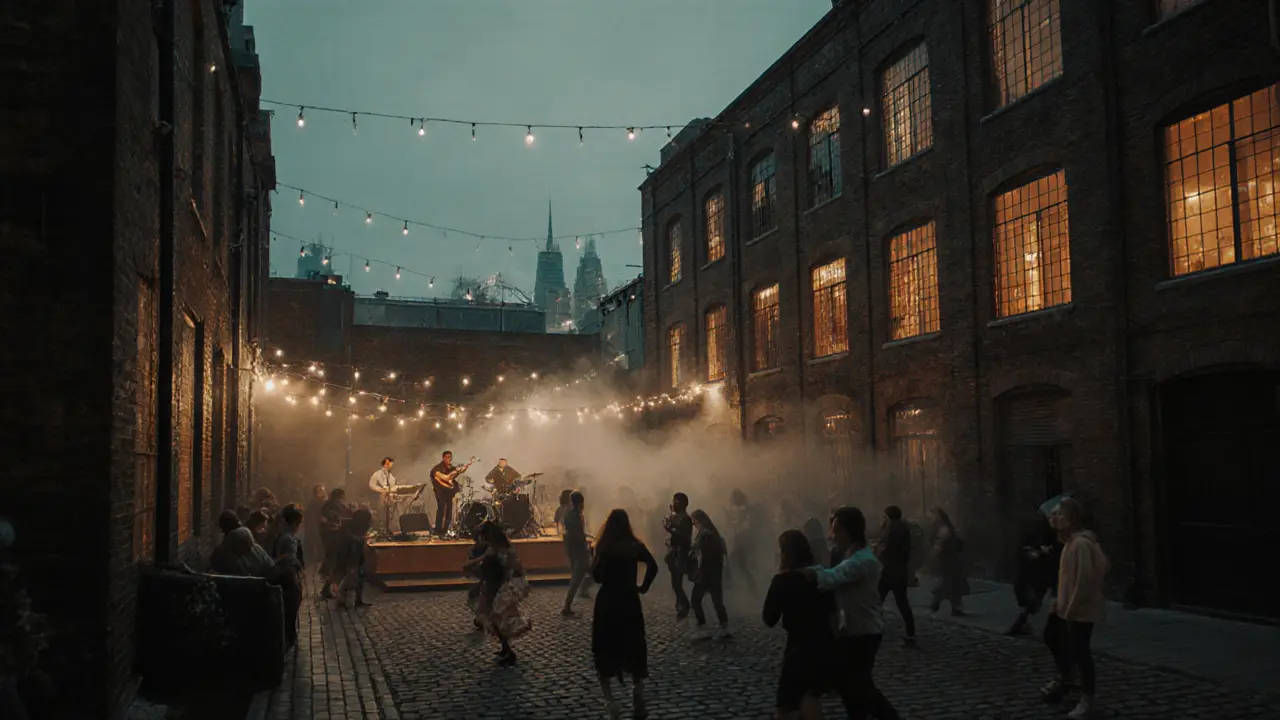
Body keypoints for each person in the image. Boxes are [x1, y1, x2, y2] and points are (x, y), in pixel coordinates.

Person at [799, 507, 901, 720]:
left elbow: (832, 577)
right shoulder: (849, 554)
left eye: (835, 529)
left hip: (866, 632)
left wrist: (803, 574)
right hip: (853, 630)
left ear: (847, 531)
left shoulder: (862, 560)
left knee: (859, 686)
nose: (831, 534)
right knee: (851, 686)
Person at [1041, 497, 1109, 719]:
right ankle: (1066, 679)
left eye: (1061, 513)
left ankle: (1088, 698)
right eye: (1055, 514)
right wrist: (1058, 601)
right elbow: (1066, 579)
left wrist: (1070, 608)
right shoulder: (1068, 542)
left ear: (1071, 517)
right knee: (1056, 638)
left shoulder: (1080, 544)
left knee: (1081, 652)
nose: (1056, 517)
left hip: (1080, 609)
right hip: (1067, 607)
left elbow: (1084, 580)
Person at [764, 530, 841, 720]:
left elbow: (769, 618)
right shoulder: (819, 575)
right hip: (824, 642)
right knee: (809, 696)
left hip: (799, 648)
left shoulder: (782, 581)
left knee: (788, 703)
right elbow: (833, 612)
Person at [591, 509, 659, 720]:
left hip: (608, 602)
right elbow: (653, 566)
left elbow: (597, 577)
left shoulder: (606, 548)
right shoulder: (635, 547)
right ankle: (637, 695)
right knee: (634, 644)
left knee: (604, 645)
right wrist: (643, 586)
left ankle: (610, 700)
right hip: (629, 600)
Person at [463, 521, 530, 666]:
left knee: (498, 620)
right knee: (494, 620)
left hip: (500, 587)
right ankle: (505, 649)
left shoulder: (499, 549)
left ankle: (509, 652)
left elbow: (510, 567)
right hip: (494, 586)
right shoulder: (494, 548)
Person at [1009, 504, 1062, 636]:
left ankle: (1027, 618)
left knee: (1040, 591)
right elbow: (1024, 542)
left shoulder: (1056, 530)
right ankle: (1025, 618)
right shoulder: (1036, 526)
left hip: (1046, 566)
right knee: (1025, 589)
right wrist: (1032, 550)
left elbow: (1059, 545)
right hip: (1032, 564)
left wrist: (1048, 549)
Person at [875, 506, 916, 645]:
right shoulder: (903, 528)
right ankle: (911, 633)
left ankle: (873, 628)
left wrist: (878, 554)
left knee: (877, 600)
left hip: (889, 570)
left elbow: (885, 549)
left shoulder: (891, 529)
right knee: (902, 602)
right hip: (900, 570)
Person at [689, 509, 730, 641]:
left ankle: (703, 627)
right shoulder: (709, 533)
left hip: (708, 571)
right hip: (714, 571)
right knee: (717, 600)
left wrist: (699, 569)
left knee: (696, 599)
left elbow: (706, 555)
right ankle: (724, 626)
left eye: (694, 521)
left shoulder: (706, 534)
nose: (693, 524)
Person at [271, 504, 305, 648]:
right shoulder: (288, 539)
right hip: (288, 577)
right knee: (290, 608)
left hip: (285, 575)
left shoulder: (284, 536)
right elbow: (287, 560)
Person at [927, 507, 968, 616]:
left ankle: (937, 604)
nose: (932, 517)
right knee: (952, 582)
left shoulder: (943, 529)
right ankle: (954, 607)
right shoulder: (944, 527)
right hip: (949, 559)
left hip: (947, 559)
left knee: (950, 582)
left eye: (934, 515)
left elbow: (939, 545)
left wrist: (933, 554)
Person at [333, 508, 374, 609]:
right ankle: (341, 600)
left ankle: (358, 600)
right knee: (350, 578)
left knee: (359, 578)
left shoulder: (360, 525)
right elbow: (348, 539)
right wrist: (359, 539)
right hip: (350, 554)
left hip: (356, 554)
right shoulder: (348, 525)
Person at [561, 491, 594, 615]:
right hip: (578, 550)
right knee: (577, 579)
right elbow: (577, 534)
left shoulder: (572, 514)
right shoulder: (574, 516)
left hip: (576, 550)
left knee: (590, 573)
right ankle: (566, 606)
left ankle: (583, 590)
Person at [662, 492, 694, 619]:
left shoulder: (685, 518)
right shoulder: (677, 516)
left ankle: (685, 604)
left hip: (681, 553)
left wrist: (670, 529)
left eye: (676, 502)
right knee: (675, 582)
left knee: (676, 583)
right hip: (674, 552)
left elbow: (684, 537)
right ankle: (680, 602)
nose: (673, 504)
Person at [319, 488, 353, 598]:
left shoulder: (337, 505)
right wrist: (341, 520)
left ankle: (329, 588)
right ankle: (328, 588)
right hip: (331, 535)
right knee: (334, 563)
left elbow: (346, 512)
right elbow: (333, 517)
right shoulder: (329, 505)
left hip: (337, 534)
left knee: (336, 564)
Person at [430, 451, 473, 535]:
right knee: (442, 509)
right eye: (448, 457)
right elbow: (446, 478)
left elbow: (460, 471)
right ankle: (438, 530)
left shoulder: (451, 468)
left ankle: (445, 530)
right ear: (444, 458)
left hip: (449, 493)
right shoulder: (437, 468)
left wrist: (468, 464)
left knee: (449, 511)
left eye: (450, 457)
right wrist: (456, 471)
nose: (450, 459)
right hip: (440, 492)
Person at [209, 527, 275, 577]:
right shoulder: (223, 553)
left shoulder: (256, 550)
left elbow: (269, 566)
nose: (249, 548)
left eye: (251, 544)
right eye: (245, 544)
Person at [727, 489, 758, 593]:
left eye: (733, 497)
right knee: (740, 564)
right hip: (741, 540)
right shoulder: (744, 509)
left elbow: (745, 526)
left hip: (743, 540)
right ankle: (750, 586)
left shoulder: (744, 509)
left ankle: (746, 586)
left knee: (734, 561)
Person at [304, 484, 327, 556]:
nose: (324, 491)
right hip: (316, 526)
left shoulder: (314, 501)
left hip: (314, 526)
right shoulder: (317, 501)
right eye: (322, 490)